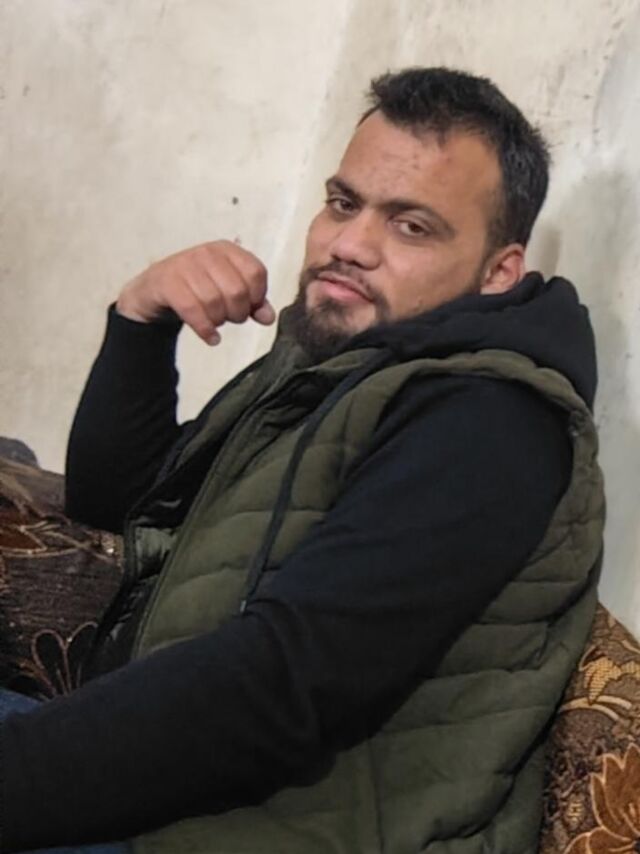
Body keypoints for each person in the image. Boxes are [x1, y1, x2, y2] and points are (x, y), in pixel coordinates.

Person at [0, 67, 604, 854]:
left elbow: (283, 688)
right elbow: (119, 501)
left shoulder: (487, 420)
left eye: (411, 226)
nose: (348, 245)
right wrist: (141, 322)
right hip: (175, 794)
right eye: (344, 204)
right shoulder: (341, 366)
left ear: (497, 272)